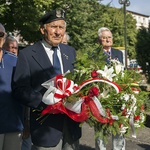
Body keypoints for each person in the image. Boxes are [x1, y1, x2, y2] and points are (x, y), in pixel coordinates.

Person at [12, 9, 81, 150]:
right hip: (46, 129)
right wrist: (46, 103)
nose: (58, 32)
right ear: (43, 30)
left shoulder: (70, 52)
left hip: (71, 127)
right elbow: (20, 89)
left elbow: (78, 82)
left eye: (61, 27)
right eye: (53, 27)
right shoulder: (27, 54)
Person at [95, 27, 124, 150]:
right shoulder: (95, 54)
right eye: (104, 37)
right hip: (101, 95)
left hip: (117, 94)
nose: (107, 40)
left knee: (118, 125)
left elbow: (123, 72)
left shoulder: (118, 53)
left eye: (109, 37)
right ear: (99, 40)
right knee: (101, 127)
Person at [0, 23, 24, 150]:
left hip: (13, 126)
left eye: (0, 34)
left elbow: (25, 91)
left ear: (3, 38)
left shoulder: (15, 61)